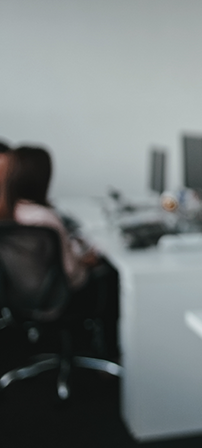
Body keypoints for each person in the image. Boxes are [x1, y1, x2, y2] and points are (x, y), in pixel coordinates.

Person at [2, 145, 121, 360]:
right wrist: (87, 260)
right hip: (63, 297)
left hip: (21, 296)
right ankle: (109, 352)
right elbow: (70, 271)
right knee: (112, 275)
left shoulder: (13, 211)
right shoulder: (45, 218)